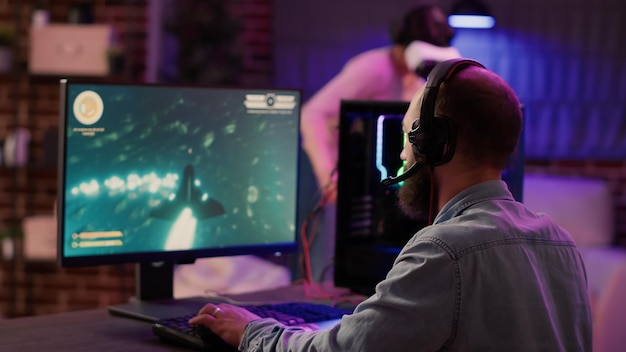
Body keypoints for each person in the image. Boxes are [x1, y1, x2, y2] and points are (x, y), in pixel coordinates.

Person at [189, 59, 593, 351]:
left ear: (436, 143)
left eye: (406, 136)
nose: (401, 154)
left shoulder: (444, 252)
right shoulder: (560, 243)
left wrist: (251, 331)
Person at [300, 3, 461, 282]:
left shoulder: (413, 78)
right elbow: (313, 114)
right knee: (324, 257)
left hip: (362, 173)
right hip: (323, 167)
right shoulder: (374, 68)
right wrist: (327, 174)